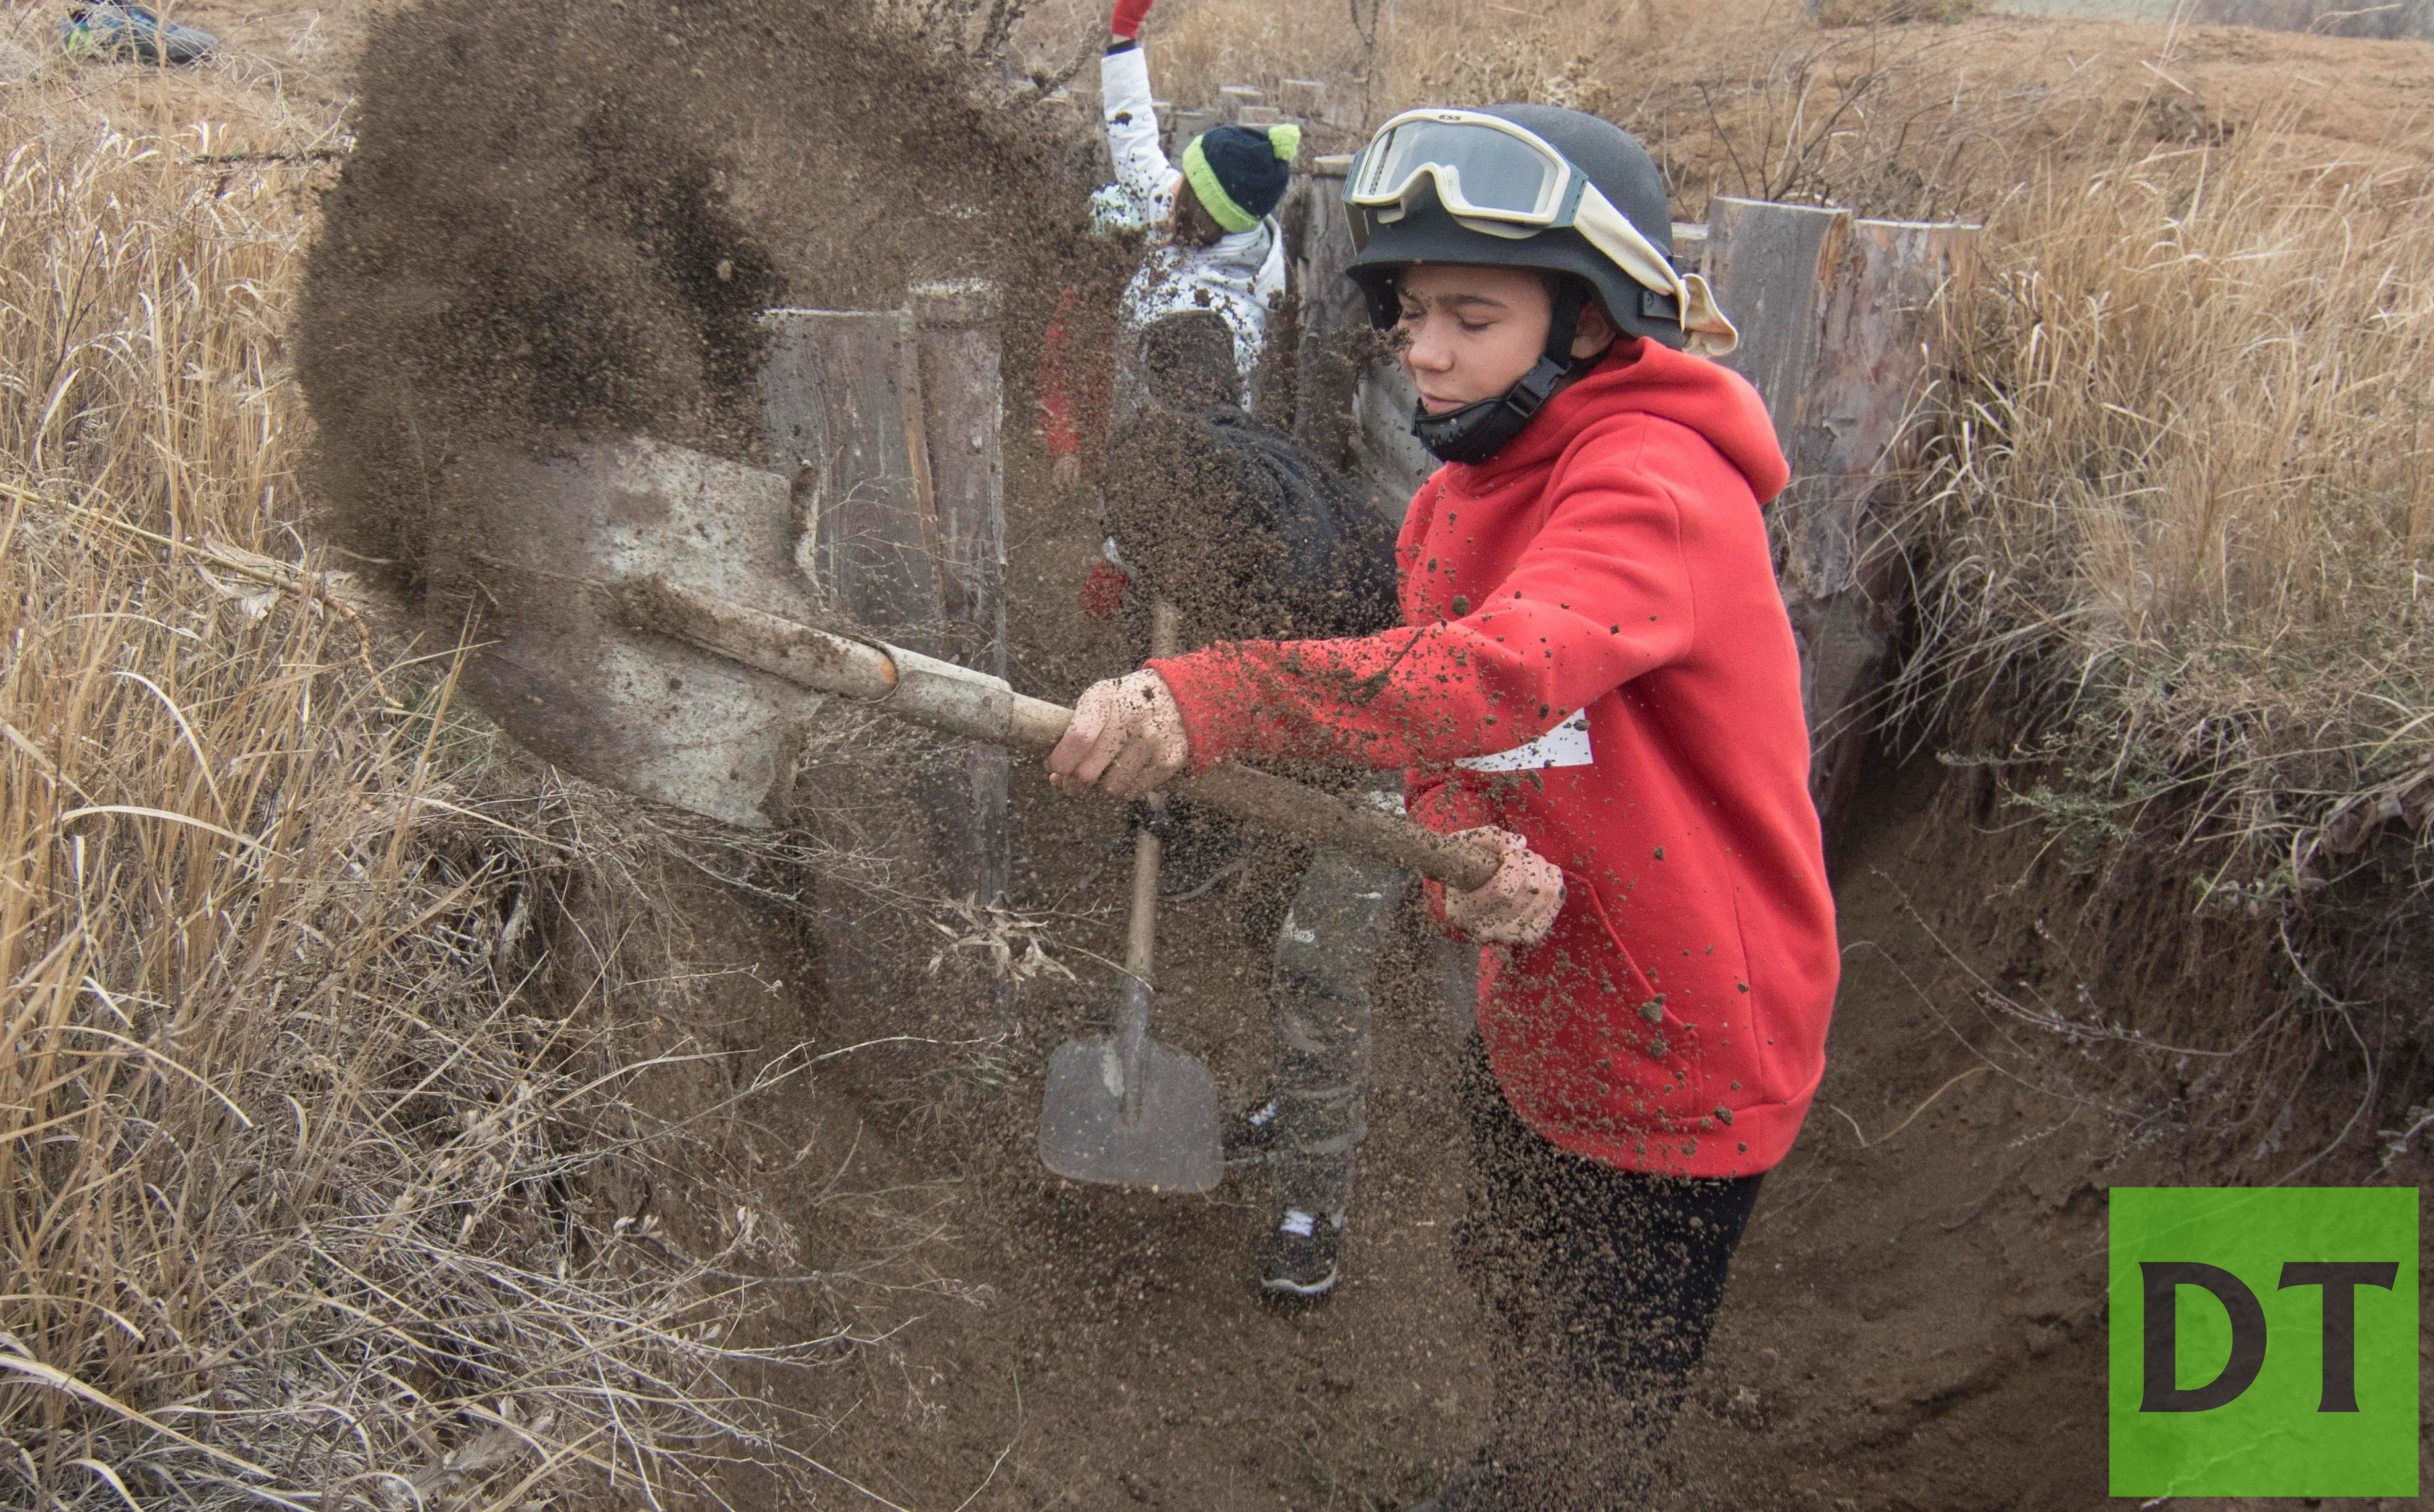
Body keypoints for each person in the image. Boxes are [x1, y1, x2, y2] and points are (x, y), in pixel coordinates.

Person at [1045, 104, 1839, 1509]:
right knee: (1514, 1282)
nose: (1425, 350)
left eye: (1473, 315)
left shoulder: (1656, 486)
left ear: (1591, 319)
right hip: (1548, 994)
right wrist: (1462, 860)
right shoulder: (1450, 505)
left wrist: (1207, 700)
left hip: (1691, 1029)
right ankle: (1516, 1471)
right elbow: (1456, 762)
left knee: (1605, 1387)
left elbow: (1500, 671)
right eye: (1415, 311)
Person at [1102, 310, 1401, 1299]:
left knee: (1318, 956)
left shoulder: (1290, 564)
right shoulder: (1213, 466)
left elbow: (1269, 702)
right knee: (1269, 912)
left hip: (1413, 733)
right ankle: (1292, 1099)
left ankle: (1315, 1209)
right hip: (1327, 714)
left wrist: (1190, 788)